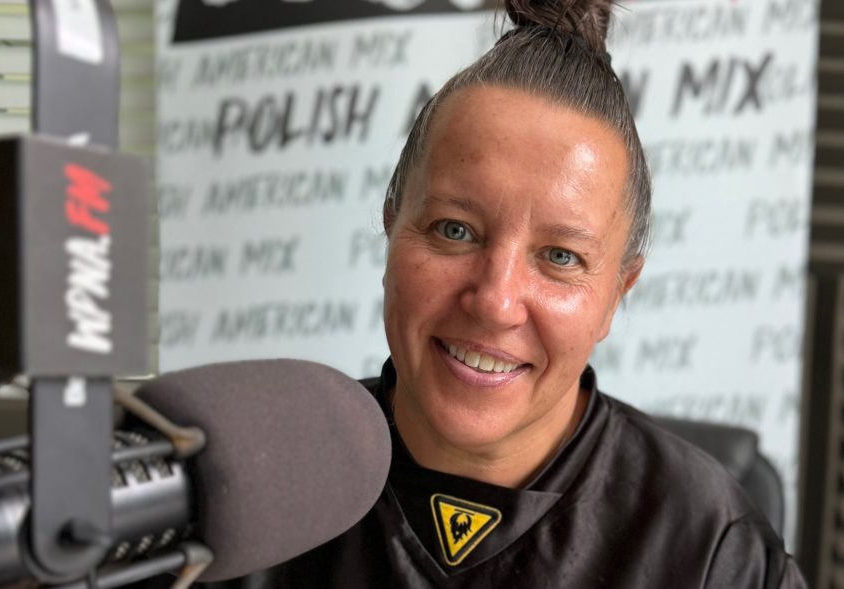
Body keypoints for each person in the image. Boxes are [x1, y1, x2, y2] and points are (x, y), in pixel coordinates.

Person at [201, 0, 807, 586]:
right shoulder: (240, 498)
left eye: (561, 257)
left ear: (617, 292)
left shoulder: (712, 552)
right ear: (391, 226)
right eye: (454, 230)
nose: (495, 302)